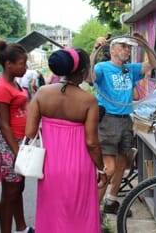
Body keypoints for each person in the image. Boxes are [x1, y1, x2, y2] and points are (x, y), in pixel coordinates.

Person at [25, 48, 107, 232]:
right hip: (80, 168)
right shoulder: (88, 100)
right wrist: (102, 169)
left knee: (53, 216)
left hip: (50, 167)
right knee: (80, 217)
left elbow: (30, 132)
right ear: (84, 72)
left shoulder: (42, 93)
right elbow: (92, 143)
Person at [93, 34, 156, 214]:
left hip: (126, 120)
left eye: (128, 47)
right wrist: (95, 49)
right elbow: (89, 78)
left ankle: (111, 201)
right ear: (112, 49)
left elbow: (152, 64)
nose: (126, 50)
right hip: (108, 122)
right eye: (122, 46)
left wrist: (144, 44)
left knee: (122, 164)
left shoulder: (128, 70)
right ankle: (93, 212)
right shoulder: (102, 67)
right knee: (109, 168)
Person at [0, 39, 34, 233]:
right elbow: (3, 124)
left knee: (19, 188)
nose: (25, 67)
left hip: (21, 142)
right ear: (8, 65)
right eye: (22, 63)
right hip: (11, 145)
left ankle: (21, 226)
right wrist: (18, 152)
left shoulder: (15, 83)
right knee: (10, 193)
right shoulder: (1, 87)